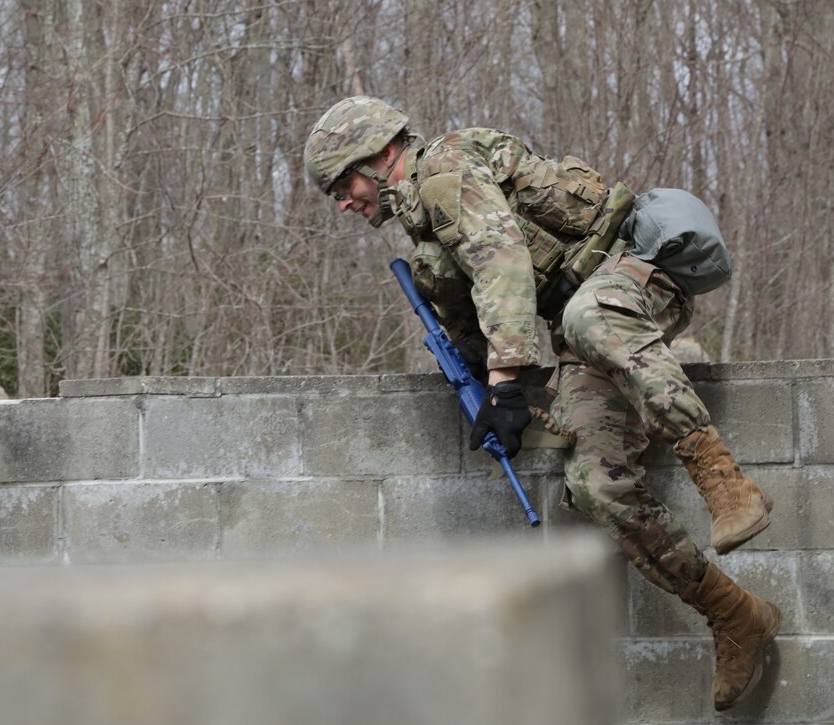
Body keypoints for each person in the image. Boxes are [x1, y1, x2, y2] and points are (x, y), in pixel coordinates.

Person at [304, 96, 779, 712]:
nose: (344, 202)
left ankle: (723, 480)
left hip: (634, 275)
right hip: (585, 330)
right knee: (594, 484)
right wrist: (487, 392)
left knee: (586, 314)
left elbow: (502, 262)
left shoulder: (446, 168)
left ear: (380, 155)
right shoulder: (424, 229)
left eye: (343, 184)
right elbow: (478, 313)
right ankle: (735, 614)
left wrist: (504, 384)